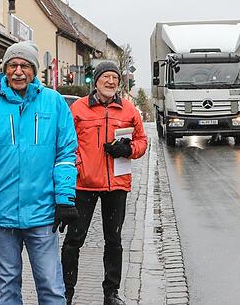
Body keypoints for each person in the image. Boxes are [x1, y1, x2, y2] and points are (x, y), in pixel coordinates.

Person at [0, 41, 78, 305]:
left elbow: (65, 155)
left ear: (34, 70)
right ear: (3, 69)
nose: (18, 71)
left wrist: (64, 199)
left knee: (50, 286)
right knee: (7, 288)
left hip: (42, 213)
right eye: (12, 65)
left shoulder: (54, 103)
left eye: (24, 65)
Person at [61, 61, 148, 305]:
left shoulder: (129, 110)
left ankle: (111, 293)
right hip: (84, 185)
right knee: (73, 241)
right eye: (105, 77)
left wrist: (128, 148)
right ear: (96, 81)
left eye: (114, 77)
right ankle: (65, 292)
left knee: (114, 241)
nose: (110, 81)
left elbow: (142, 141)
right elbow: (66, 142)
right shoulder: (78, 109)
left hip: (116, 185)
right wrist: (78, 165)